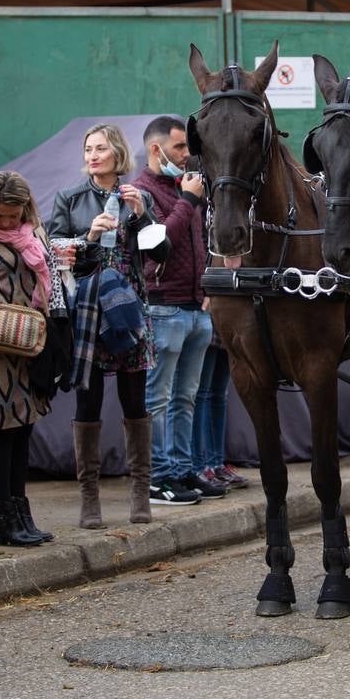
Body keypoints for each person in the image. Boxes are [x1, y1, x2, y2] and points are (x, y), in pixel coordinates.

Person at [48, 122, 175, 528]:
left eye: (100, 148)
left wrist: (139, 215)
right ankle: (90, 500)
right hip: (89, 308)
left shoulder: (137, 197)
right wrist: (87, 237)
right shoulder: (70, 198)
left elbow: (163, 253)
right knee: (89, 402)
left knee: (135, 401)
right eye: (88, 149)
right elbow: (53, 253)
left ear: (117, 153)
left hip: (130, 308)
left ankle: (141, 495)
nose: (92, 155)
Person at [0, 171, 67, 547]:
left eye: (13, 215)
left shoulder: (34, 233)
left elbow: (49, 280)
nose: (7, 222)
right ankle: (3, 516)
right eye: (0, 216)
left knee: (23, 428)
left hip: (33, 342)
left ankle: (22, 512)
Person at [130, 116, 225, 503]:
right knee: (159, 399)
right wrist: (188, 201)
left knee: (186, 397)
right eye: (180, 148)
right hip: (163, 308)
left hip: (196, 308)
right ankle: (157, 477)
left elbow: (200, 244)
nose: (187, 155)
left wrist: (206, 286)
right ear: (156, 149)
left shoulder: (186, 188)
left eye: (187, 148)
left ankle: (183, 470)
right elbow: (157, 245)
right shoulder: (141, 192)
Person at [191, 334, 247, 489]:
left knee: (219, 395)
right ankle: (198, 467)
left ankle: (216, 464)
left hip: (225, 332)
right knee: (201, 394)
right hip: (206, 328)